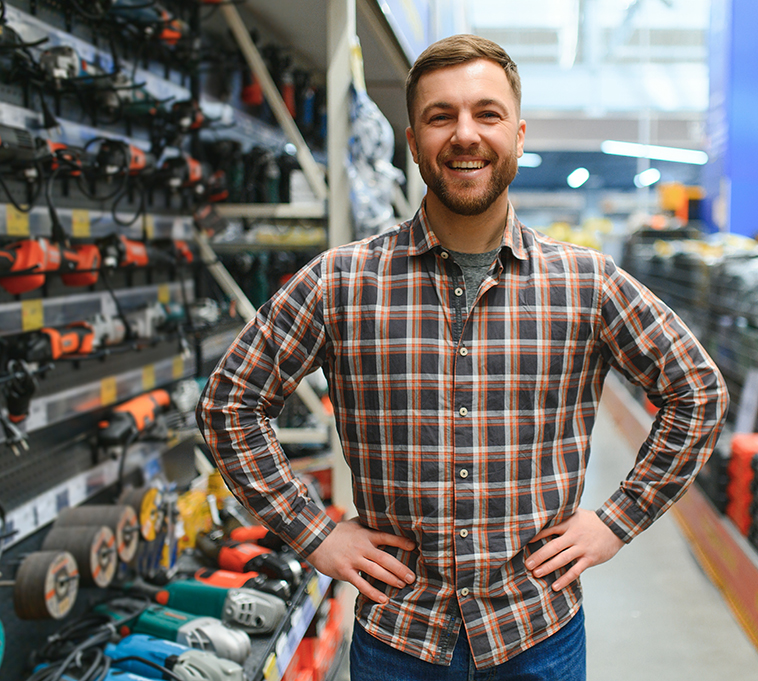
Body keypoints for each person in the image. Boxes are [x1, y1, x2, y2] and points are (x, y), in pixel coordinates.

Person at [196, 34, 728, 680]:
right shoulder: (342, 282)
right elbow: (229, 403)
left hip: (538, 634)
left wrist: (617, 520)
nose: (465, 134)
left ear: (520, 134)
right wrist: (315, 533)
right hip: (398, 639)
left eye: (487, 113)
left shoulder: (585, 283)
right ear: (414, 141)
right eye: (440, 116)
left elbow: (697, 389)